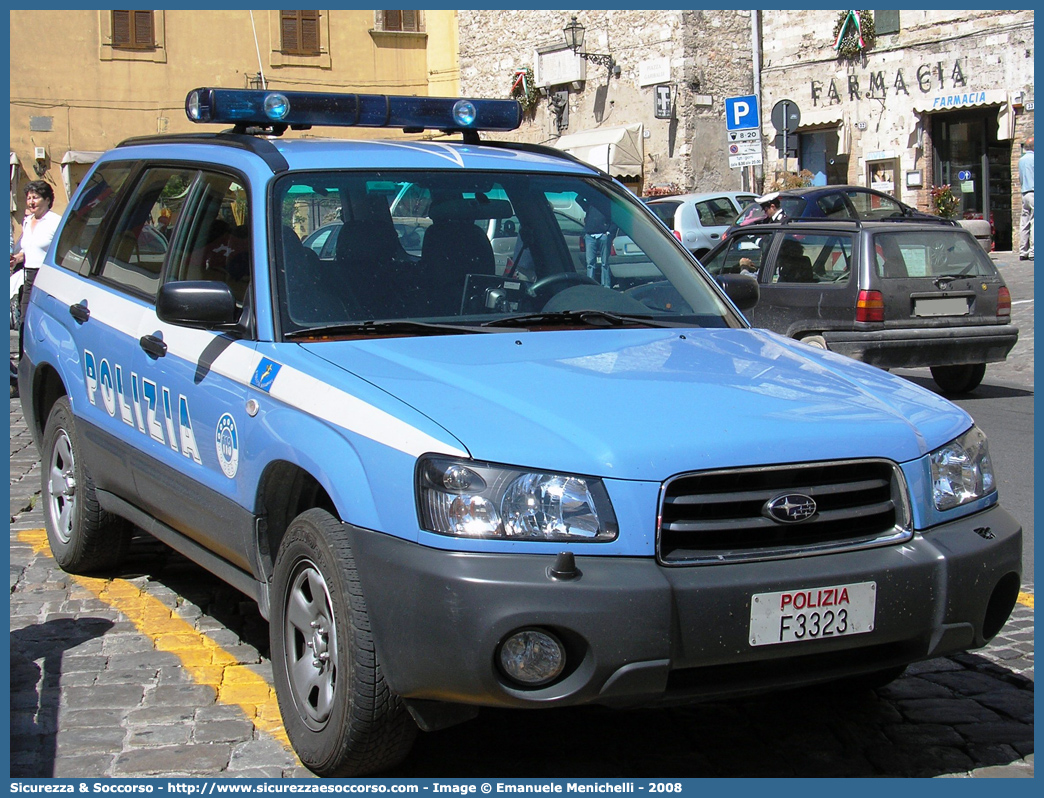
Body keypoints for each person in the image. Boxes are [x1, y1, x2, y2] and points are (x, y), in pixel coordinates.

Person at [11, 180, 61, 393]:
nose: (31, 201)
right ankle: (26, 370)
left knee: (44, 323)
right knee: (24, 322)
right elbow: (29, 249)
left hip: (48, 277)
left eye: (36, 197)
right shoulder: (27, 221)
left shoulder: (55, 222)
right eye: (29, 197)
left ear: (47, 200)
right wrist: (18, 258)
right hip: (29, 276)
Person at [578, 192, 617, 287]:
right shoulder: (590, 205)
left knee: (605, 263)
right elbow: (578, 199)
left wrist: (608, 232)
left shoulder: (607, 205)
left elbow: (615, 220)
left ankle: (606, 286)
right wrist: (585, 191)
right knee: (590, 263)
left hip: (603, 236)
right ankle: (591, 285)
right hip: (590, 236)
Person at [1018, 136, 1033, 261]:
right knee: (1035, 221)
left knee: (1024, 222)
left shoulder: (1021, 160)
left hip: (1024, 192)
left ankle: (1023, 251)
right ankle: (1034, 251)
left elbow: (1021, 178)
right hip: (1034, 192)